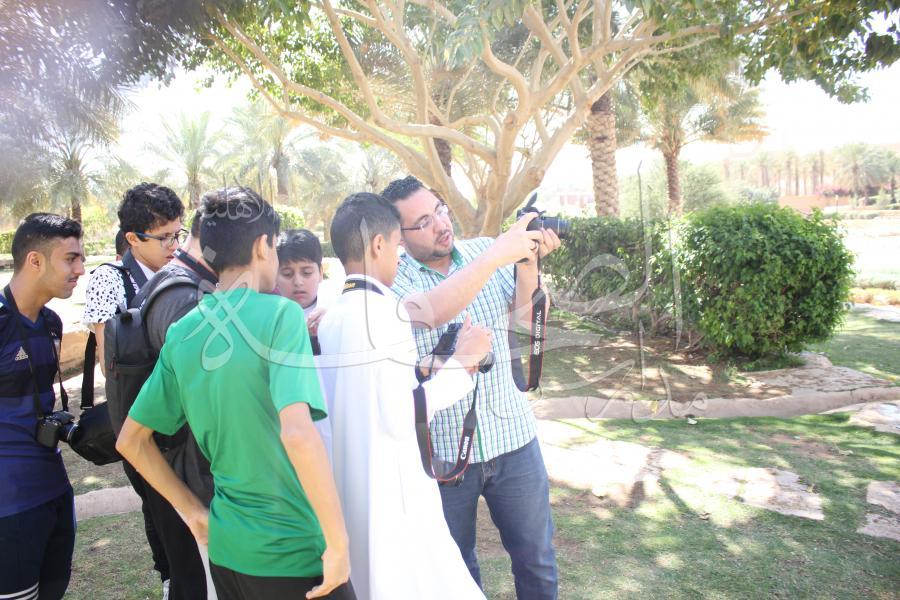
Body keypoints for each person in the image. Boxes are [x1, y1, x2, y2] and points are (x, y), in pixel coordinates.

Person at [116, 187, 354, 600]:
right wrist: (338, 543)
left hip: (227, 553)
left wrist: (193, 512)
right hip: (292, 550)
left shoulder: (184, 332)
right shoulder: (280, 315)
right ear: (263, 246)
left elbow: (130, 441)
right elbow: (298, 434)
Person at [382, 176, 561, 599]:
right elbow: (433, 310)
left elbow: (526, 321)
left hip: (513, 438)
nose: (441, 224)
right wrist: (496, 255)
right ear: (398, 237)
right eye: (423, 222)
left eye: (439, 210)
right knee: (454, 570)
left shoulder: (486, 249)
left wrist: (527, 261)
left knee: (537, 561)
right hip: (443, 455)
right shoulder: (394, 280)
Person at [317, 192, 490, 600]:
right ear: (378, 245)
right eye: (397, 247)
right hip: (393, 494)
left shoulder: (331, 317)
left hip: (349, 487)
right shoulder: (387, 313)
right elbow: (400, 413)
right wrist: (464, 362)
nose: (399, 258)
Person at [82, 182, 185, 595]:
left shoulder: (179, 273)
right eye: (165, 238)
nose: (174, 245)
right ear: (132, 238)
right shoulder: (110, 280)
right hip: (144, 422)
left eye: (178, 234)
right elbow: (110, 362)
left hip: (187, 422)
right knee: (164, 519)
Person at [117, 209, 219, 599]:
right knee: (197, 582)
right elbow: (204, 401)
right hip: (187, 472)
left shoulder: (171, 282)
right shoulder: (185, 298)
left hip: (172, 464)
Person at [0, 213, 85, 600]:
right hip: (9, 505)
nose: (80, 269)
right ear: (35, 260)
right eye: (71, 259)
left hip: (53, 490)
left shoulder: (51, 322)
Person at [275, 229, 332, 457]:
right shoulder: (272, 321)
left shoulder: (336, 310)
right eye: (287, 273)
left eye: (307, 272)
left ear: (320, 272)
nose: (298, 282)